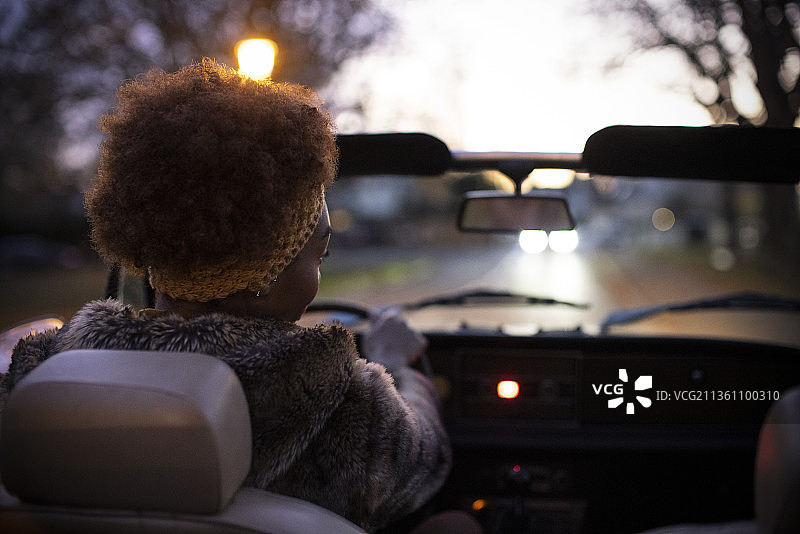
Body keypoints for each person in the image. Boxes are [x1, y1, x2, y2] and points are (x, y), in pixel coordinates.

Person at [0, 59, 475, 533]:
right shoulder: (332, 394)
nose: (319, 275)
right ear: (265, 277)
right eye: (320, 255)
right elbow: (425, 465)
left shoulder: (43, 372)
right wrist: (398, 367)